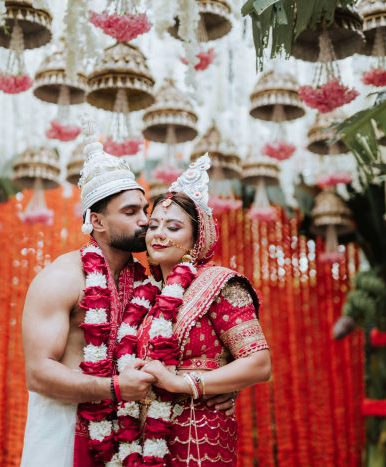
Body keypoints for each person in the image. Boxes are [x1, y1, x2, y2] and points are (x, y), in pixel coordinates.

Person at [20, 125, 235, 467]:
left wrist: (211, 385)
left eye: (143, 209)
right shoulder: (61, 277)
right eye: (130, 212)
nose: (146, 221)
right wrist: (115, 388)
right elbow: (38, 373)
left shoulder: (148, 283)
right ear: (98, 221)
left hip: (132, 435)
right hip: (65, 431)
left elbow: (188, 349)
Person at [134, 155, 271, 466]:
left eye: (173, 227)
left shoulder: (220, 284)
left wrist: (187, 384)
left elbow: (259, 363)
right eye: (153, 225)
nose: (159, 233)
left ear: (197, 239)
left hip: (199, 434)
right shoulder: (147, 297)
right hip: (145, 436)